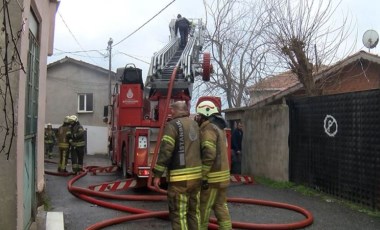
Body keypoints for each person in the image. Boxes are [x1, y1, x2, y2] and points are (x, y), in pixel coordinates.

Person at [152, 101, 202, 230]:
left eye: (171, 110)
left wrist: (157, 174)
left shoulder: (172, 125)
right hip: (196, 179)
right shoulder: (195, 124)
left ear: (175, 111)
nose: (170, 112)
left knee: (179, 215)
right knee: (194, 213)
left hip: (180, 180)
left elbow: (166, 151)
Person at [196, 100, 232, 230]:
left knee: (203, 208)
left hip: (212, 178)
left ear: (205, 114)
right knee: (221, 206)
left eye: (199, 115)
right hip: (222, 177)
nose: (197, 118)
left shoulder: (208, 128)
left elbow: (209, 153)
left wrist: (203, 175)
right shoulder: (219, 127)